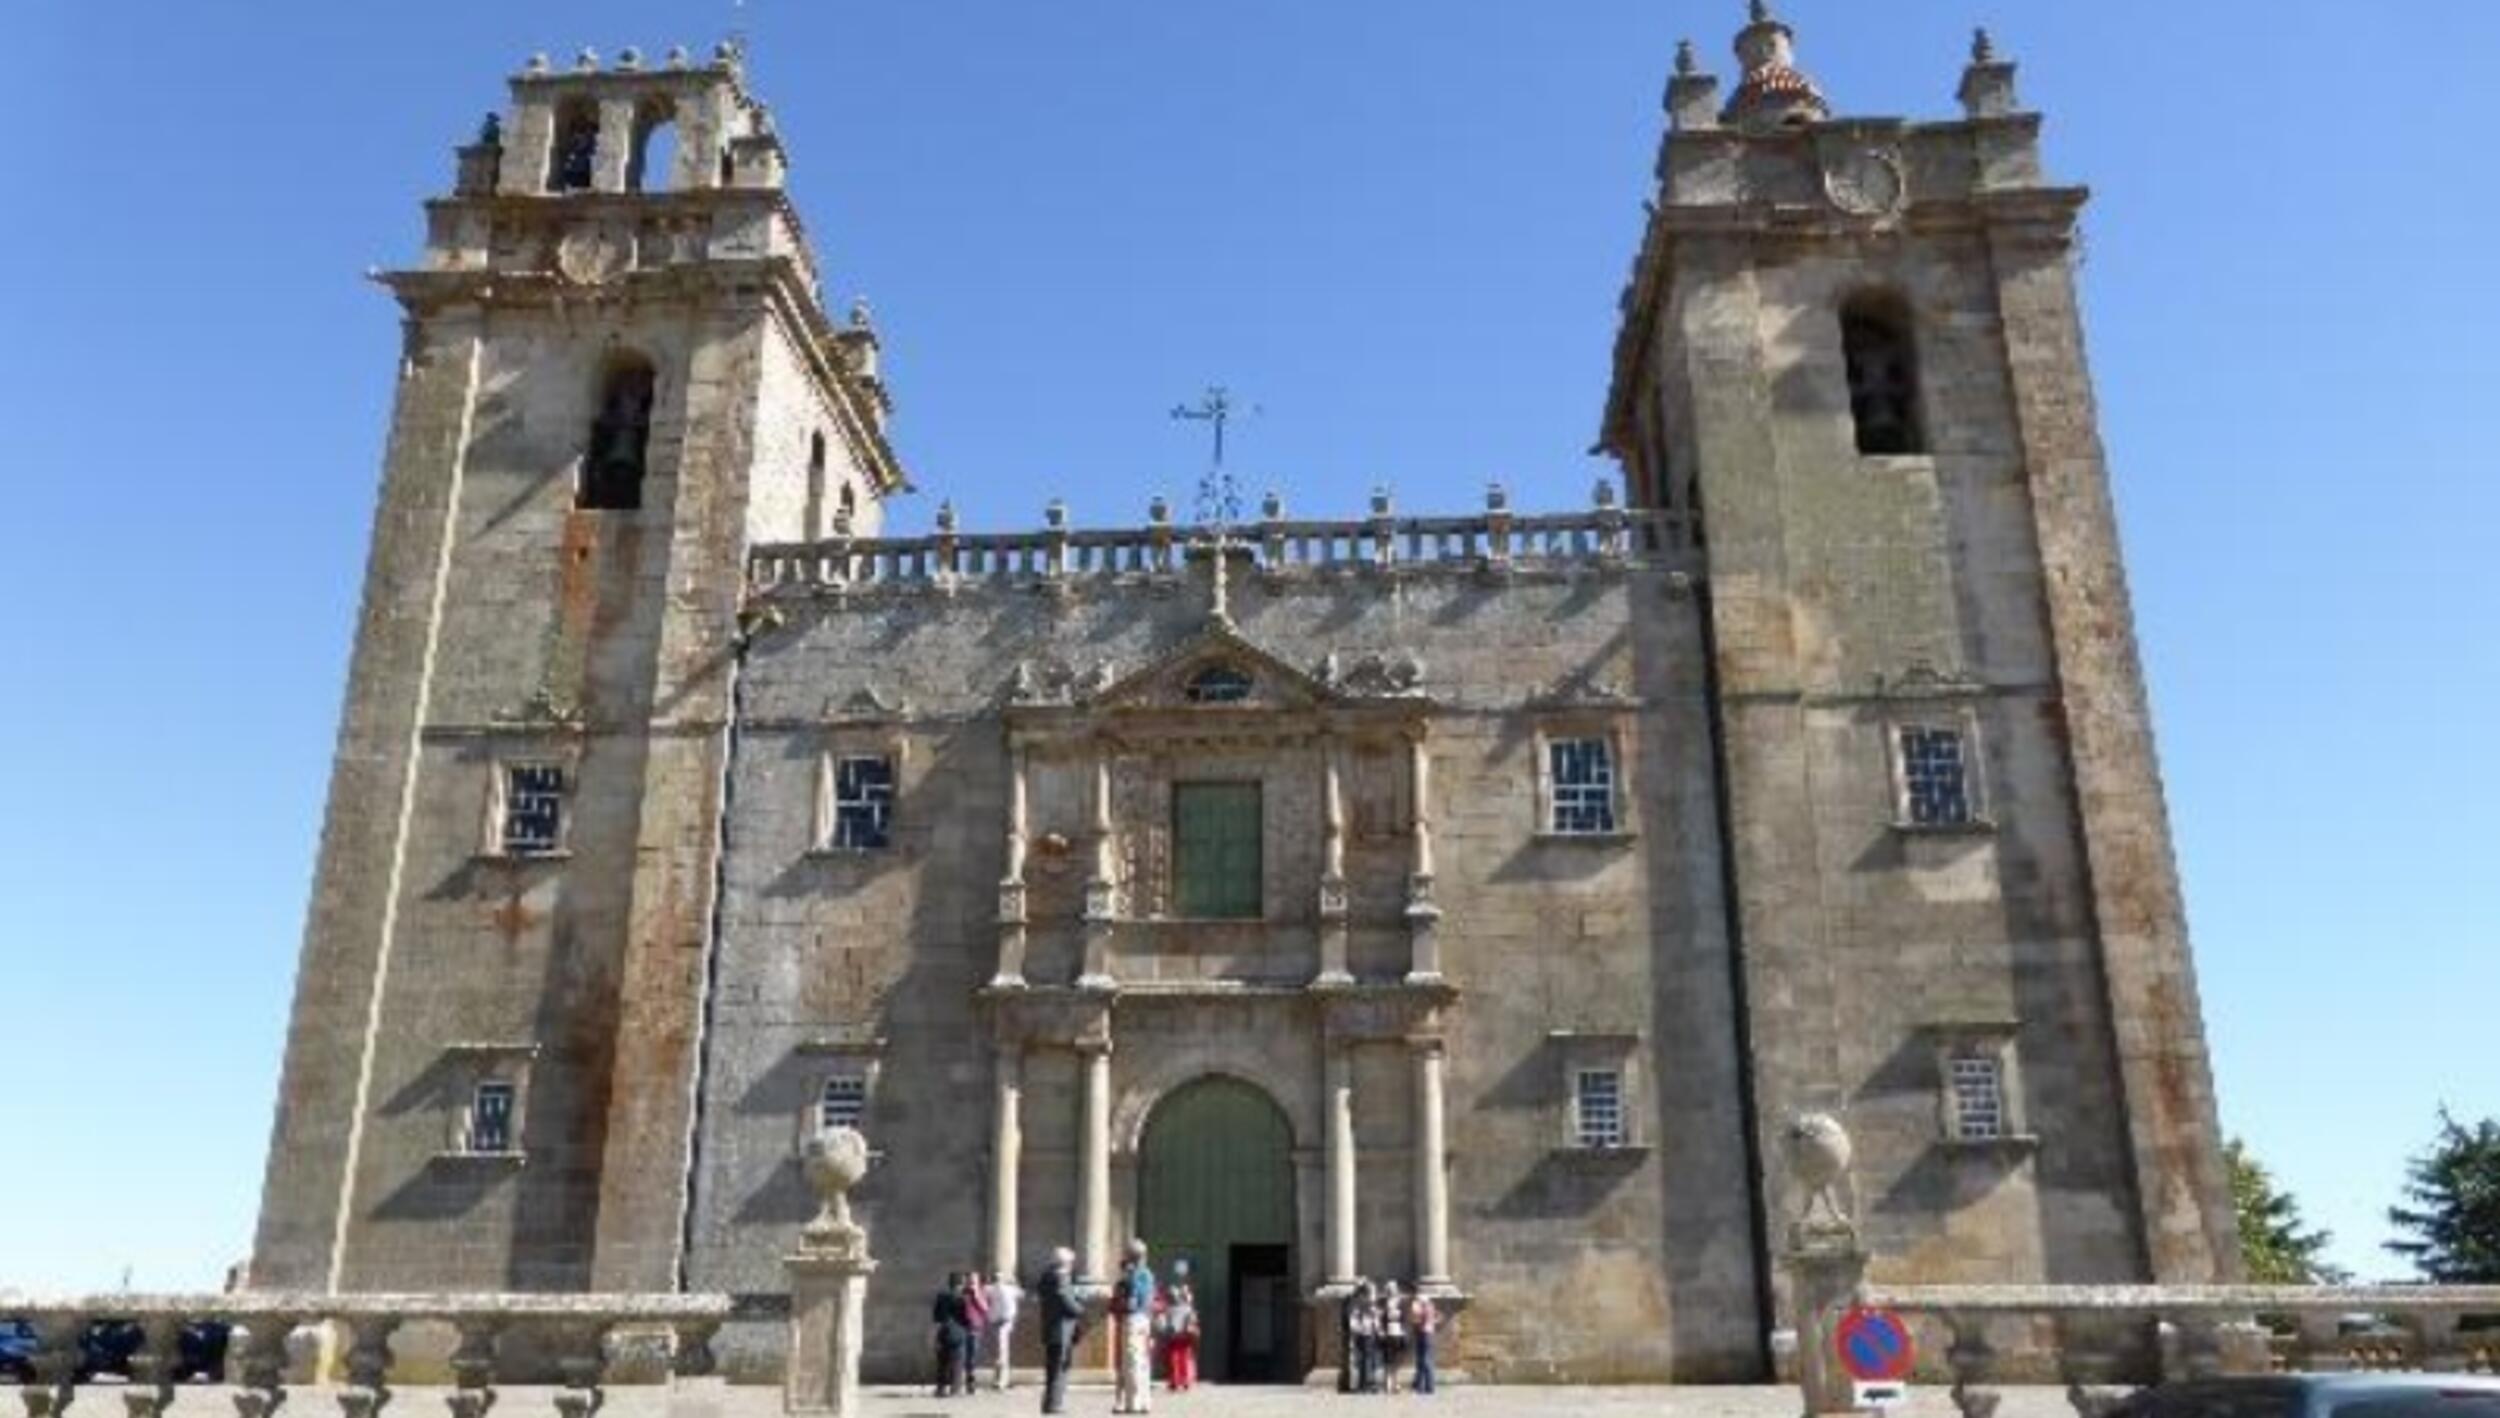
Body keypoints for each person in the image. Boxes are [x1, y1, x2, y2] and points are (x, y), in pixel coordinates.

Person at [1111, 1239, 1156, 1414]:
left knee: (1132, 1361)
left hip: (1134, 1319)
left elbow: (1132, 1302)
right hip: (1143, 1319)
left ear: (1130, 1256)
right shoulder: (1147, 1274)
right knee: (1141, 1361)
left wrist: (1121, 1297)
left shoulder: (1136, 1275)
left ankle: (1133, 1403)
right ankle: (1142, 1401)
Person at [1036, 1247, 1083, 1415]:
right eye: (1071, 1262)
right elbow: (1066, 1301)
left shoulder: (1045, 1278)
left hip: (1050, 1328)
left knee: (1052, 1368)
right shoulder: (1060, 1278)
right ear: (1065, 1263)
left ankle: (1049, 1403)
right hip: (1061, 1329)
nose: (1072, 1266)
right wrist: (1080, 1309)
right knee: (1060, 1368)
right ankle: (1055, 1404)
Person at [1158, 1259, 1199, 1392]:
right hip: (1174, 1325)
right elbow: (1165, 1306)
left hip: (1184, 1326)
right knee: (1173, 1355)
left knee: (1184, 1354)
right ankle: (1175, 1380)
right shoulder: (1170, 1294)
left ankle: (1185, 1380)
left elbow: (1191, 1308)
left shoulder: (1188, 1291)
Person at [932, 1271, 972, 1398]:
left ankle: (940, 1388)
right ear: (960, 1283)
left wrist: (934, 1336)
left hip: (943, 1331)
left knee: (942, 1361)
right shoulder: (963, 1298)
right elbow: (967, 1317)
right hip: (959, 1332)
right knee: (957, 1362)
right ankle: (955, 1389)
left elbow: (936, 1318)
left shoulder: (941, 1296)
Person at [985, 1267, 1025, 1391]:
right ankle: (1001, 1380)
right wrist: (1014, 1282)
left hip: (997, 1321)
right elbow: (1023, 1294)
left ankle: (1000, 1380)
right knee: (1001, 1352)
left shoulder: (989, 1289)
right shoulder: (1009, 1289)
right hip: (1004, 1321)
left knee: (1000, 1352)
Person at [961, 1271, 992, 1396]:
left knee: (971, 1357)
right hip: (962, 1327)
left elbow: (985, 1309)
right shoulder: (963, 1292)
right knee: (962, 1356)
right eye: (970, 1280)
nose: (971, 1282)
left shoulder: (982, 1292)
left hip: (975, 1328)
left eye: (974, 1280)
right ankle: (958, 1382)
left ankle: (971, 1383)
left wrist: (977, 1295)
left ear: (978, 1281)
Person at [1347, 1279, 1380, 1394]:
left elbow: (1374, 1319)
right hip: (1364, 1334)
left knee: (1367, 1360)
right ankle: (1366, 1384)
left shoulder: (1365, 1304)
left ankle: (1367, 1383)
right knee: (1364, 1360)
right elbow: (1354, 1320)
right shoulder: (1360, 1305)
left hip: (1367, 1333)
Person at [1377, 1281, 1407, 1394]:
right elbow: (1379, 1319)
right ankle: (1387, 1383)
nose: (1391, 1291)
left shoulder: (1401, 1303)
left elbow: (1404, 1319)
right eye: (1389, 1289)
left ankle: (1396, 1382)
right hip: (1387, 1332)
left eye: (1393, 1288)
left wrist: (1404, 1330)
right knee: (1387, 1359)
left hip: (1398, 1332)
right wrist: (1380, 1330)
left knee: (1397, 1359)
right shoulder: (1382, 1303)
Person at [1408, 1288, 1439, 1396]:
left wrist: (1415, 1313)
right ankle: (1421, 1386)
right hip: (1426, 1333)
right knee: (1422, 1360)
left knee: (1425, 1360)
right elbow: (1437, 1317)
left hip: (1425, 1334)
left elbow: (1418, 1319)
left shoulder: (1425, 1307)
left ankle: (1428, 1386)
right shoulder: (1430, 1305)